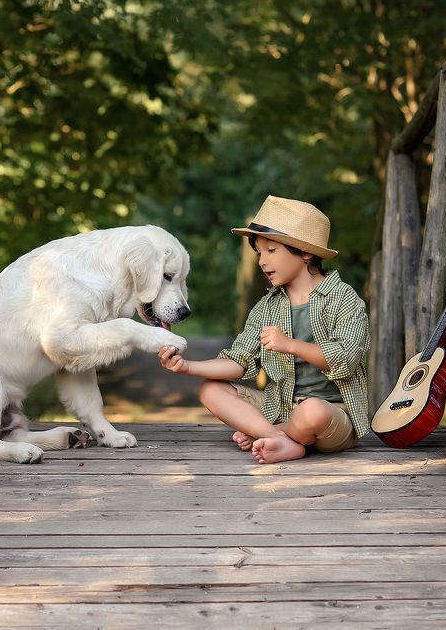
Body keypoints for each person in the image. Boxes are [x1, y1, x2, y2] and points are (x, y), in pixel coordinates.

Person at [158, 195, 371, 463]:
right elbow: (238, 362)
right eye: (260, 253)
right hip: (280, 408)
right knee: (210, 390)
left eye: (271, 250)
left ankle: (271, 433)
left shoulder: (343, 298)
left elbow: (346, 359)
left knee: (312, 411)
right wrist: (187, 366)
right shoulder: (266, 307)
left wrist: (290, 345)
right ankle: (280, 438)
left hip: (332, 416)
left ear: (305, 252)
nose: (261, 261)